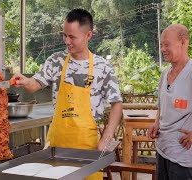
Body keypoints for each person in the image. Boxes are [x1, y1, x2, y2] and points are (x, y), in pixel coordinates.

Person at [11, 9, 123, 179]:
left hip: (88, 148)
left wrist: (106, 138)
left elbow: (117, 104)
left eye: (72, 37)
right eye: (64, 35)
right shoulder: (56, 61)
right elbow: (34, 85)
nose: (66, 41)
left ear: (88, 36)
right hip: (57, 147)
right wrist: (25, 81)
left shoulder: (103, 68)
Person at [147, 24, 192, 180]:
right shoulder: (166, 73)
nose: (163, 49)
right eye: (161, 45)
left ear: (183, 42)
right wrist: (156, 124)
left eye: (167, 44)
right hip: (163, 151)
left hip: (185, 158)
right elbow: (162, 105)